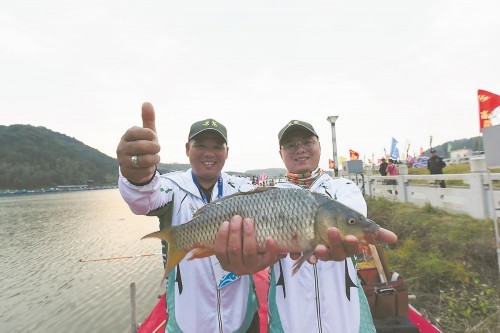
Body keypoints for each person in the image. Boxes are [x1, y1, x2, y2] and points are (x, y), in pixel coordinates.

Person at [214, 120, 398, 332]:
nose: (300, 149)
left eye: (307, 142)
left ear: (319, 145)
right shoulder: (269, 195)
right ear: (281, 153)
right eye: (291, 145)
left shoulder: (343, 188)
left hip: (347, 315)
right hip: (289, 315)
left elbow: (351, 222)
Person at [117, 102, 272, 332]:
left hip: (241, 318)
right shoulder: (171, 185)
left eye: (217, 146)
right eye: (200, 145)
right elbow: (144, 197)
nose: (209, 153)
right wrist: (137, 178)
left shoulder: (241, 187)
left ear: (227, 152)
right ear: (187, 148)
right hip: (188, 322)